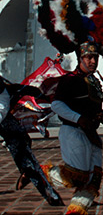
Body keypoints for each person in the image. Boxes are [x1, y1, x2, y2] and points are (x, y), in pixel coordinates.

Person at [43, 41, 103, 214]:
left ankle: (75, 212)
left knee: (93, 180)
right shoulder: (70, 80)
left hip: (92, 136)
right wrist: (78, 118)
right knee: (76, 178)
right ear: (80, 59)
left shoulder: (94, 82)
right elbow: (57, 105)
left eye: (95, 58)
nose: (93, 62)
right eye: (88, 58)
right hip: (73, 132)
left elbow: (94, 110)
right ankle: (42, 172)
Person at [0, 75, 63, 206]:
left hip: (4, 113)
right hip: (5, 109)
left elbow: (16, 90)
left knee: (24, 151)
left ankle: (49, 193)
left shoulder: (8, 90)